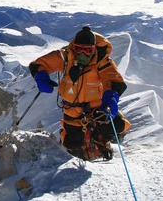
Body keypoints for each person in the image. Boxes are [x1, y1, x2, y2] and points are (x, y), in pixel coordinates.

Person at [29, 26, 131, 160]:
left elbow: (112, 79)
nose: (82, 53)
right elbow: (40, 64)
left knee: (117, 125)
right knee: (72, 143)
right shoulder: (65, 57)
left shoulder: (101, 61)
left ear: (94, 49)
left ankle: (101, 140)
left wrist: (111, 96)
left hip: (97, 107)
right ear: (73, 47)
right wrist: (41, 75)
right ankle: (80, 146)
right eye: (78, 48)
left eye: (88, 50)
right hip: (72, 109)